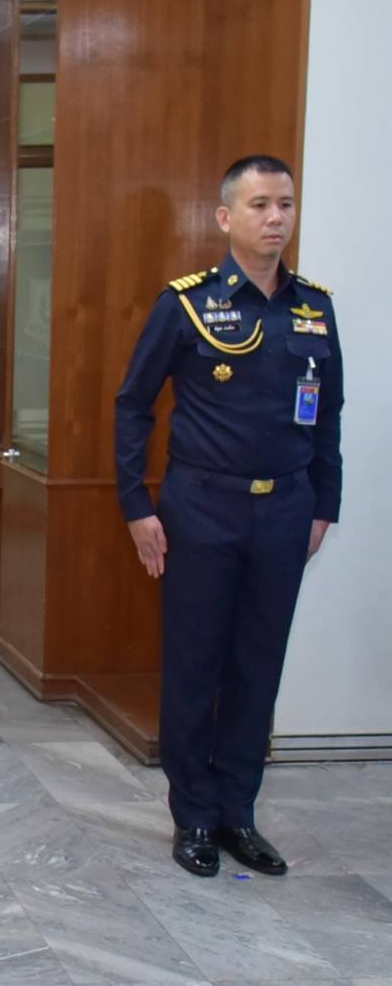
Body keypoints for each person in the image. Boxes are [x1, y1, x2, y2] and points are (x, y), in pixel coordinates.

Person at [115, 154, 343, 878]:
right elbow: (132, 405)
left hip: (286, 511)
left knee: (257, 666)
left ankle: (238, 813)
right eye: (259, 205)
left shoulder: (314, 308)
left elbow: (327, 417)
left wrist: (325, 505)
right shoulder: (186, 305)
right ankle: (194, 816)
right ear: (225, 217)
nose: (276, 218)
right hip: (202, 509)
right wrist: (136, 506)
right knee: (195, 665)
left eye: (286, 204)